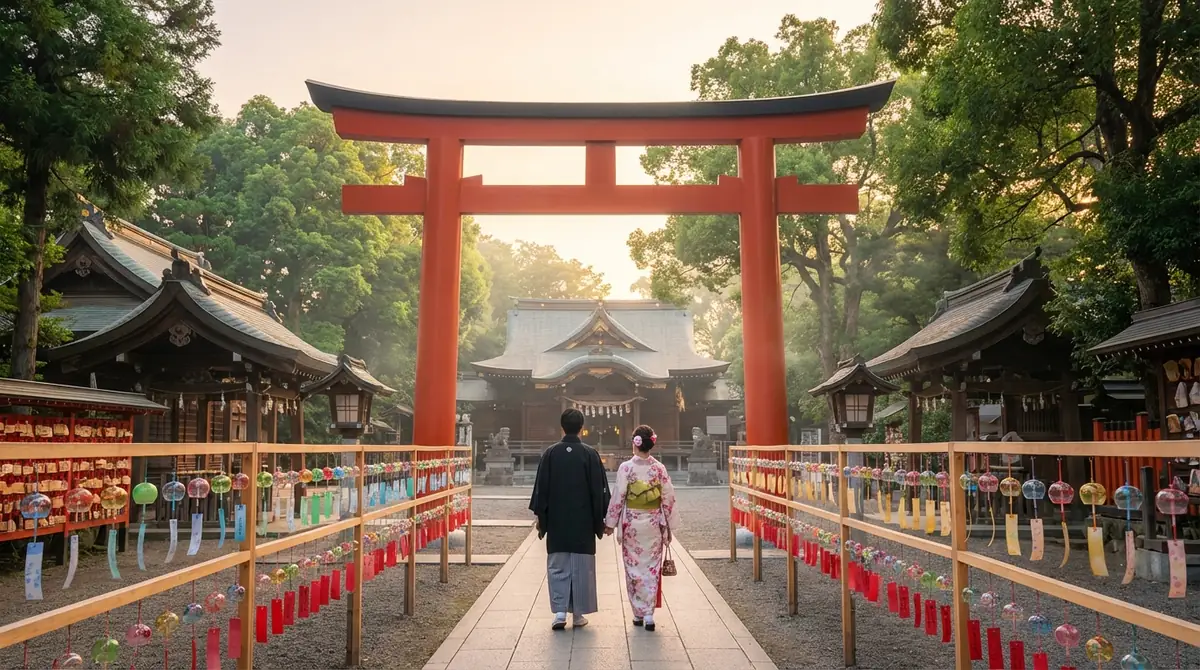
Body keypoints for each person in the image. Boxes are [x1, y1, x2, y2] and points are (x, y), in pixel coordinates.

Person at [528, 408, 611, 630]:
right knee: (582, 568)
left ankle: (560, 613)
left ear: (562, 427)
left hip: (557, 522)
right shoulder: (590, 454)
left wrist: (541, 518)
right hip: (582, 523)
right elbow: (599, 491)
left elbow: (540, 491)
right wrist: (601, 519)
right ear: (581, 428)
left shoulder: (551, 454)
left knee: (558, 566)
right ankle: (578, 615)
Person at [603, 424, 679, 632]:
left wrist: (610, 523)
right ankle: (648, 615)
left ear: (635, 444)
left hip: (632, 525)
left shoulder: (626, 468)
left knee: (634, 568)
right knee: (651, 568)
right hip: (653, 524)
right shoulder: (659, 468)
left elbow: (618, 496)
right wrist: (669, 526)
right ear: (650, 445)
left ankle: (638, 612)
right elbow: (668, 498)